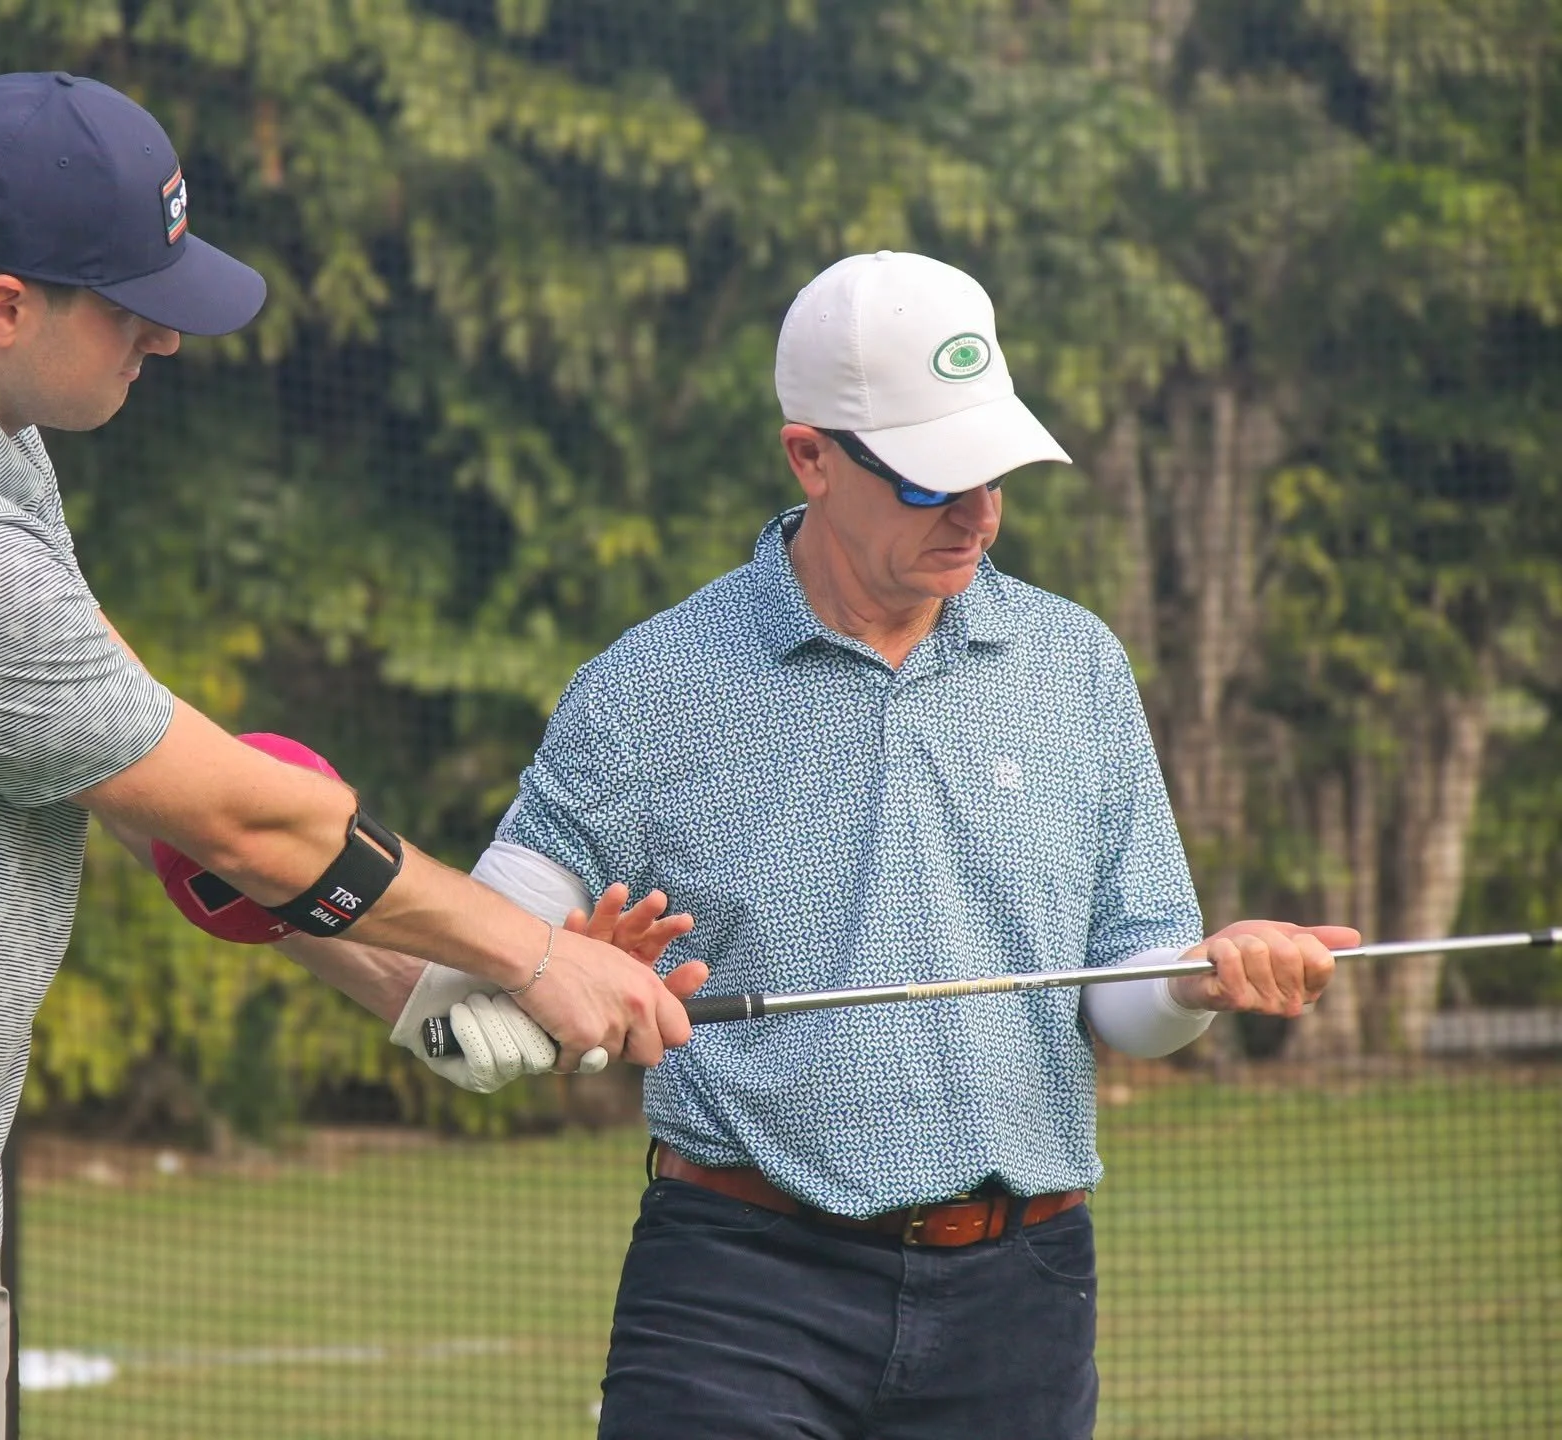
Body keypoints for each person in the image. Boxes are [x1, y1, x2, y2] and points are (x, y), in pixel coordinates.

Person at [0, 72, 692, 1440]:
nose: (163, 339)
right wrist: (531, 950)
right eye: (132, 306)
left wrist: (414, 991)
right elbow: (238, 818)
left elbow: (145, 770)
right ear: (7, 306)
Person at [385, 250, 1356, 1437]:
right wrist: (543, 969)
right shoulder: (646, 687)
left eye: (992, 473)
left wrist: (1204, 977)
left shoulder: (1078, 666)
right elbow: (462, 993)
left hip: (1023, 1296)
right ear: (811, 456)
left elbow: (1129, 1000)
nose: (977, 514)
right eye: (930, 479)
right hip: (737, 1288)